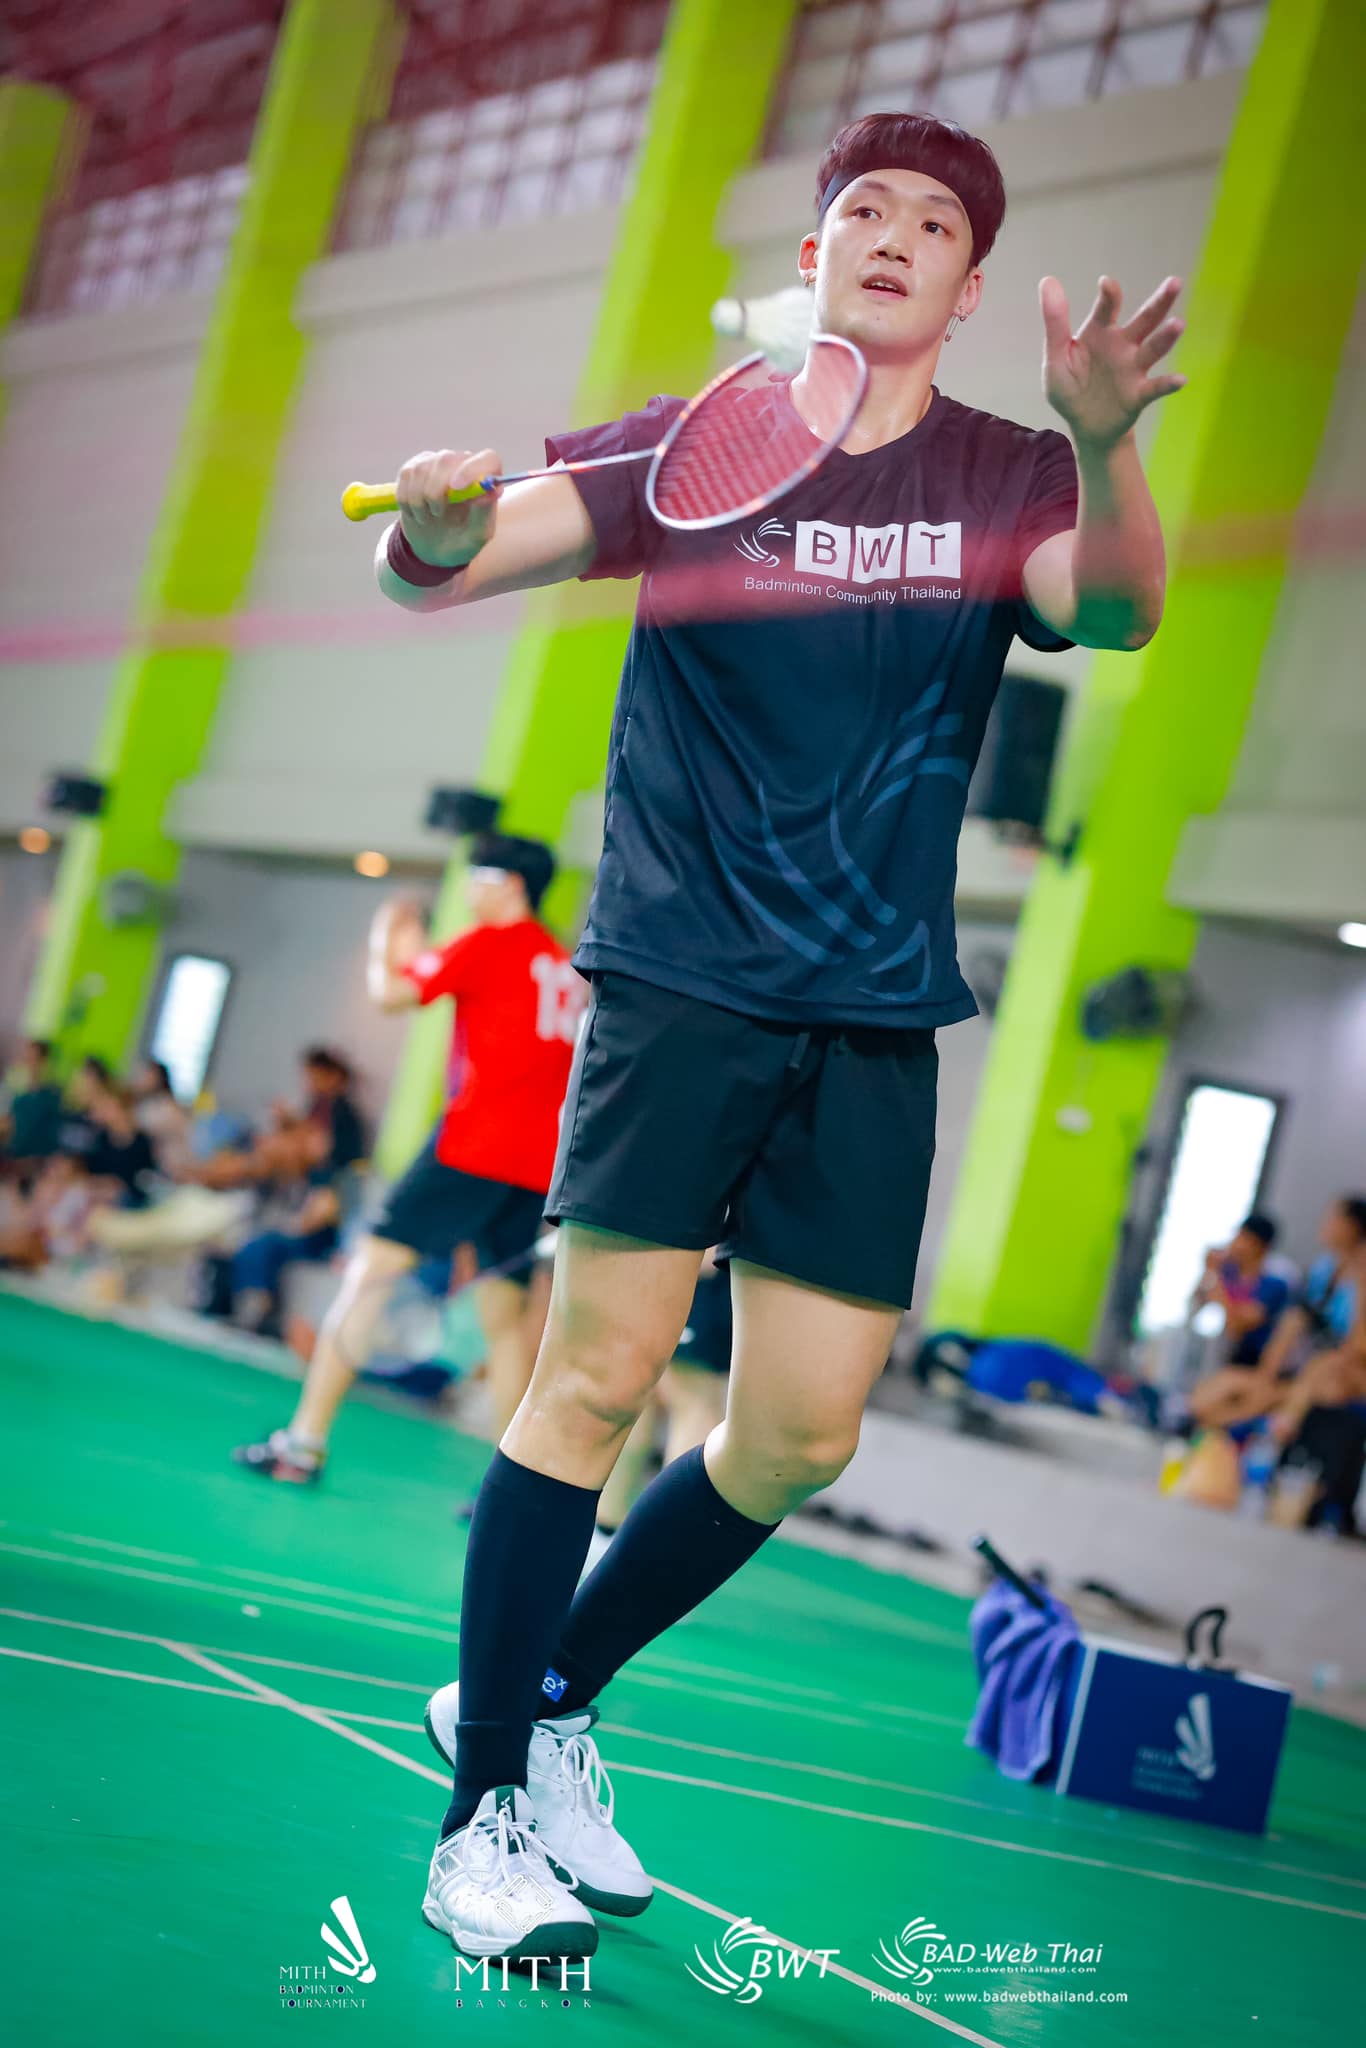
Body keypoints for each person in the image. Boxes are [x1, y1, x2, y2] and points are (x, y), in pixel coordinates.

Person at [378, 109, 1183, 1960]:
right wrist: (431, 526)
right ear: (814, 258)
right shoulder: (688, 445)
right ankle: (477, 1815)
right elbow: (446, 565)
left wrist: (1102, 438)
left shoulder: (1005, 472)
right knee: (595, 1380)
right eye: (860, 211)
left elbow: (1119, 609)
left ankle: (549, 1695)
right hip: (682, 975)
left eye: (932, 224)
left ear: (968, 290)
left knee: (800, 1434)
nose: (892, 235)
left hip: (874, 1003)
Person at [234, 835, 581, 1482]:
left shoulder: (489, 943)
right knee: (506, 1322)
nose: (468, 889)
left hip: (472, 1147)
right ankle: (513, 1489)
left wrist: (385, 935)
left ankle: (301, 1444)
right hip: (536, 1167)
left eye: (477, 876)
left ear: (509, 884)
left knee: (369, 1273)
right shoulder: (565, 965)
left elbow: (390, 993)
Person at [1188, 1197, 1363, 1433]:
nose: (1326, 1223)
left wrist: (1217, 1280)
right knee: (1206, 1398)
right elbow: (1196, 1305)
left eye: (1334, 1218)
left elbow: (1238, 1325)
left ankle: (1257, 1410)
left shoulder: (1276, 1279)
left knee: (1315, 1369)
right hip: (1286, 1363)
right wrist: (1209, 1272)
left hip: (1322, 1363)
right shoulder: (1325, 1267)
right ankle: (1261, 1397)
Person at [0, 1038, 63, 1172]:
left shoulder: (53, 1095)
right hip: (13, 1157)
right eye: (27, 1058)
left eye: (35, 1059)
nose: (30, 1064)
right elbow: (6, 1122)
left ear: (45, 1062)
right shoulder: (16, 1092)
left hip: (40, 1161)